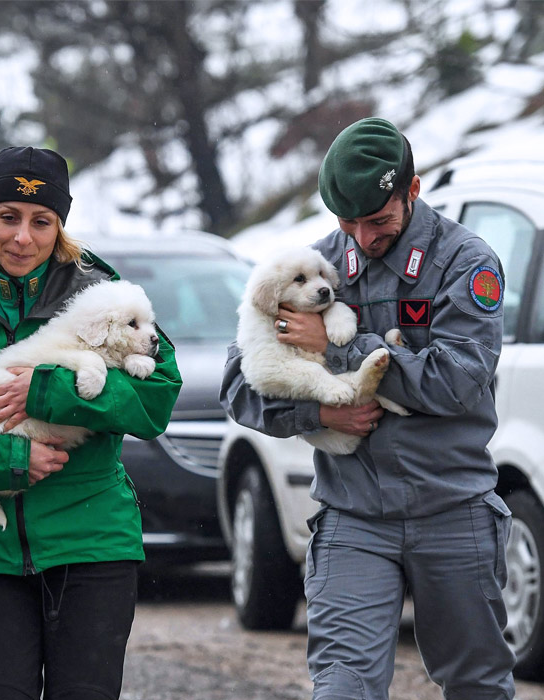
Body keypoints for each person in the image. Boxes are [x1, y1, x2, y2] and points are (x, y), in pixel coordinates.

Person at [220, 117, 516, 700]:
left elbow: (456, 381)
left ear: (413, 189)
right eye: (346, 221)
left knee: (476, 685)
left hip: (452, 508)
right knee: (343, 687)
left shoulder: (465, 262)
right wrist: (320, 416)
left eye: (377, 221)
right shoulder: (309, 267)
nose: (360, 238)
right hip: (353, 515)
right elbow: (239, 383)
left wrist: (342, 346)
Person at [0, 146, 183, 700]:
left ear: (60, 228)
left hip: (92, 540)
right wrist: (10, 460)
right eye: (8, 217)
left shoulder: (106, 299)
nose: (22, 237)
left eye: (41, 221)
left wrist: (51, 391)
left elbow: (157, 400)